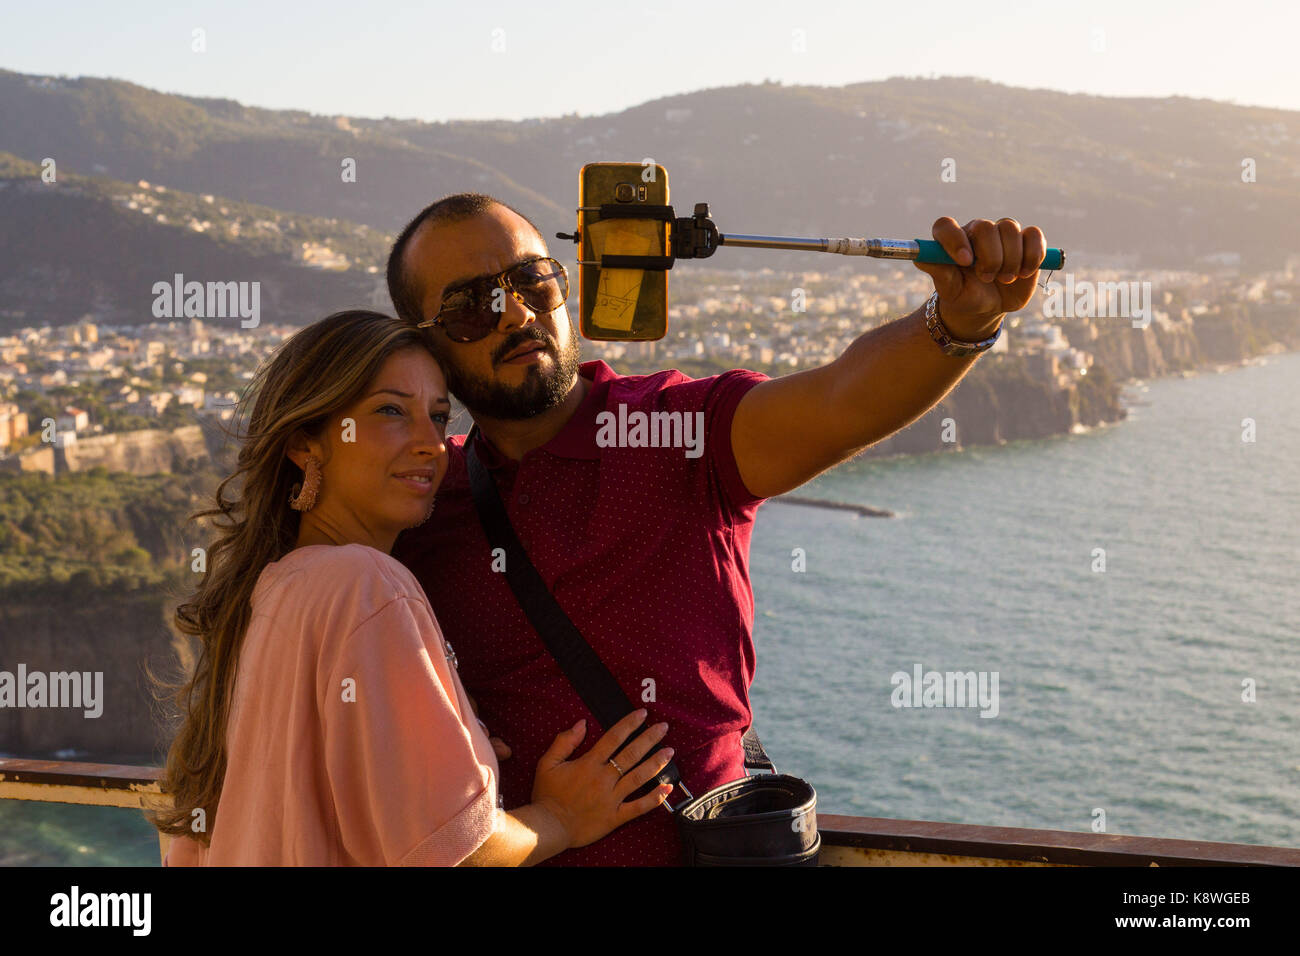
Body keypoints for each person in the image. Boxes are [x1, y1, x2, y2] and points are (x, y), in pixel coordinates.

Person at [386, 193, 1047, 865]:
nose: (521, 312)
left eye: (532, 280)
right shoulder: (416, 504)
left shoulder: (675, 432)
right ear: (423, 345)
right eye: (474, 306)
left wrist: (962, 319)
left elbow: (841, 400)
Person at [147, 310, 674, 865]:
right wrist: (561, 819)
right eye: (391, 412)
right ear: (305, 444)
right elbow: (455, 854)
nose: (431, 444)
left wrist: (451, 745)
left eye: (440, 416)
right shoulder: (366, 585)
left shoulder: (270, 590)